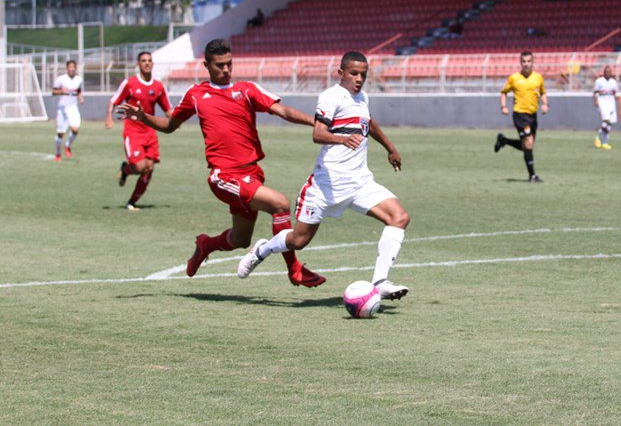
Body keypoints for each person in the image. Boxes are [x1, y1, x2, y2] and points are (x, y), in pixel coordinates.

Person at [117, 39, 325, 287]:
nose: (226, 70)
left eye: (229, 64)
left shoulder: (247, 90)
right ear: (206, 65)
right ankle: (295, 270)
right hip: (223, 177)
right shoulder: (196, 95)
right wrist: (144, 117)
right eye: (219, 66)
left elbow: (283, 111)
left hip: (251, 173)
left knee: (240, 239)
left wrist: (315, 122)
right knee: (280, 204)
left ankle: (206, 244)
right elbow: (169, 126)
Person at [237, 51, 410, 301]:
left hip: (360, 182)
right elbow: (318, 134)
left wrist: (390, 148)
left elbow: (368, 123)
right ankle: (263, 249)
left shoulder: (363, 97)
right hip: (326, 185)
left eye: (363, 74)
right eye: (353, 73)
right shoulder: (331, 97)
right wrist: (342, 138)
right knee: (298, 240)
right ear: (340, 73)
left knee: (399, 217)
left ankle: (380, 282)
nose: (359, 79)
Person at [105, 52, 172, 211]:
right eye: (143, 61)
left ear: (153, 64)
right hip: (133, 131)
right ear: (138, 64)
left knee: (149, 168)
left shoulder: (158, 86)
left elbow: (168, 109)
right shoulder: (130, 83)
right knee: (139, 167)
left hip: (150, 131)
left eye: (149, 60)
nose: (147, 63)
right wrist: (109, 118)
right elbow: (113, 101)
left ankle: (132, 202)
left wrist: (176, 121)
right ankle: (125, 170)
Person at [494, 51, 548, 182]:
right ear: (520, 62)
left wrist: (545, 104)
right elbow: (503, 93)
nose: (526, 64)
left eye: (529, 61)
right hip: (520, 115)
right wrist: (504, 106)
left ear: (532, 62)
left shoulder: (538, 78)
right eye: (524, 61)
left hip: (533, 115)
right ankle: (532, 176)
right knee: (528, 143)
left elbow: (543, 92)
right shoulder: (514, 78)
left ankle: (504, 140)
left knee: (527, 146)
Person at [52, 60, 84, 161]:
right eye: (70, 67)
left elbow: (78, 90)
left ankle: (67, 145)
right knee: (60, 133)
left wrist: (80, 97)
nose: (72, 69)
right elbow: (53, 91)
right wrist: (61, 91)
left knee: (75, 129)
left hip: (73, 108)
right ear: (67, 68)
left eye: (73, 67)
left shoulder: (79, 80)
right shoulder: (61, 79)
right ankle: (57, 153)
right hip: (62, 109)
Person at [593, 66, 618, 149]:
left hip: (611, 103)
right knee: (606, 120)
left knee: (609, 124)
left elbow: (614, 93)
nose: (608, 73)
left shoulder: (613, 82)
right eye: (606, 72)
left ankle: (604, 142)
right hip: (602, 103)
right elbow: (596, 92)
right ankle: (598, 137)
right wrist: (596, 101)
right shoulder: (599, 81)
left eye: (609, 72)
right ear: (603, 72)